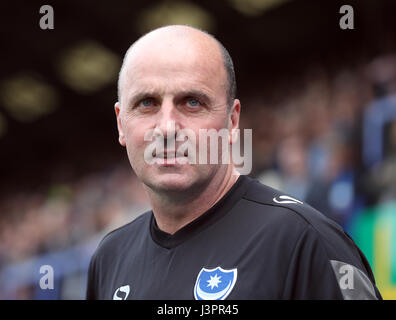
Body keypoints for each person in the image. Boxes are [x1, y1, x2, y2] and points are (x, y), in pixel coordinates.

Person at [86, 25, 382, 300]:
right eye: (146, 103)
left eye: (192, 102)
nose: (167, 128)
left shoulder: (305, 241)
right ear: (121, 124)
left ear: (232, 120)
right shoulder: (110, 258)